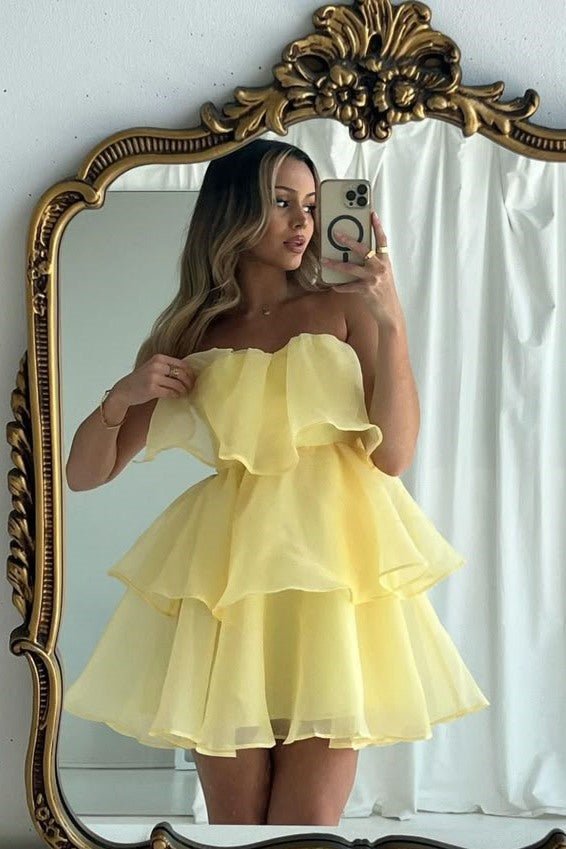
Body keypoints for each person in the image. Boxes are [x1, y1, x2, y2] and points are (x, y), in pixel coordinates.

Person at [64, 139, 489, 826]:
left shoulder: (349, 308)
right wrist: (122, 396)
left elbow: (394, 455)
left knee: (305, 824)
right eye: (282, 202)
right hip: (231, 579)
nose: (303, 221)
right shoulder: (190, 331)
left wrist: (391, 320)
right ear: (233, 211)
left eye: (313, 205)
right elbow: (84, 474)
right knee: (237, 824)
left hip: (334, 573)